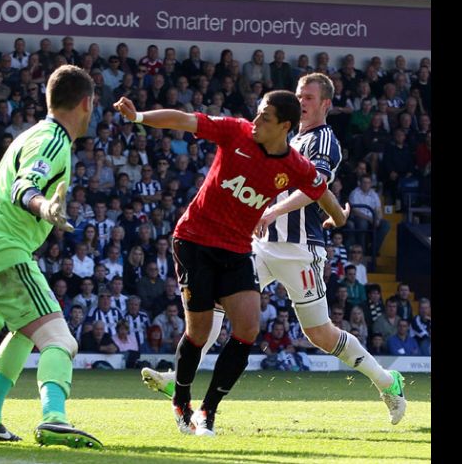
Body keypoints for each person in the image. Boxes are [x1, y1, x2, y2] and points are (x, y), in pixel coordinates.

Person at [139, 73, 406, 428]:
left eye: (309, 97)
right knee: (216, 307)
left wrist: (275, 212)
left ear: (325, 104)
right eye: (299, 95)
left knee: (319, 333)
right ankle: (180, 380)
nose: (303, 101)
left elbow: (314, 188)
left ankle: (387, 382)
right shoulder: (282, 137)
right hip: (262, 245)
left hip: (300, 248)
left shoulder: (324, 140)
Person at [114, 89, 345, 436]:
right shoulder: (235, 131)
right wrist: (139, 117)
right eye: (258, 112)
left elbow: (321, 191)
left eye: (265, 117)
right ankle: (181, 400)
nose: (256, 121)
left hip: (236, 249)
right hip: (194, 242)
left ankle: (207, 411)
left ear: (284, 126)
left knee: (247, 330)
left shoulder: (293, 165)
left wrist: (339, 218)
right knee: (199, 331)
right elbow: (183, 119)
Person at [0, 65, 102, 449]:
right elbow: (23, 188)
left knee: (25, 333)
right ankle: (54, 418)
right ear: (87, 103)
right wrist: (45, 208)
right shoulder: (53, 140)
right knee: (61, 340)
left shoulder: (30, 135)